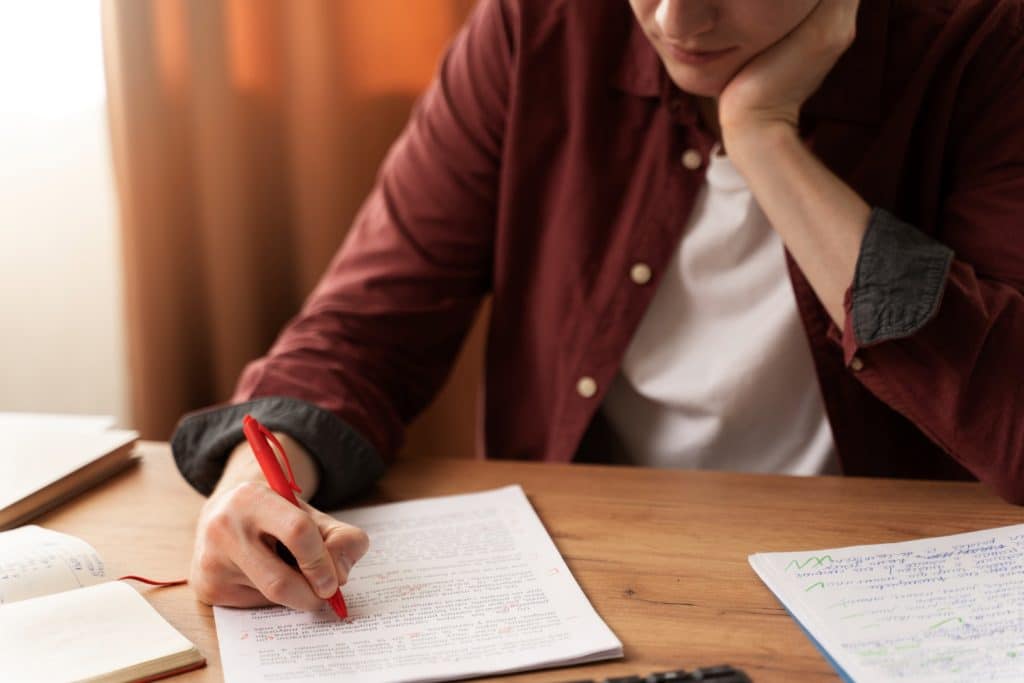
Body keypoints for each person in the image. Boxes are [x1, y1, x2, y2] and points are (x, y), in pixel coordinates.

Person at [171, 0, 1024, 613]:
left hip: (895, 599)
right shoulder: (540, 28)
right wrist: (255, 487)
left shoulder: (985, 43)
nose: (676, 21)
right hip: (598, 583)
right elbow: (364, 330)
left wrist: (765, 137)